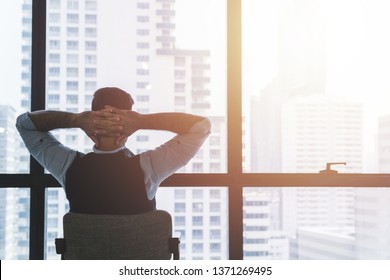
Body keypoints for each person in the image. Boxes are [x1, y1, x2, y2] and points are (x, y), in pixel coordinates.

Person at [16, 87, 211, 214]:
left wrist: (75, 119)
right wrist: (141, 121)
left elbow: (24, 124)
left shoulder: (68, 167)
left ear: (90, 129)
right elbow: (202, 126)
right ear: (128, 130)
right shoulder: (149, 168)